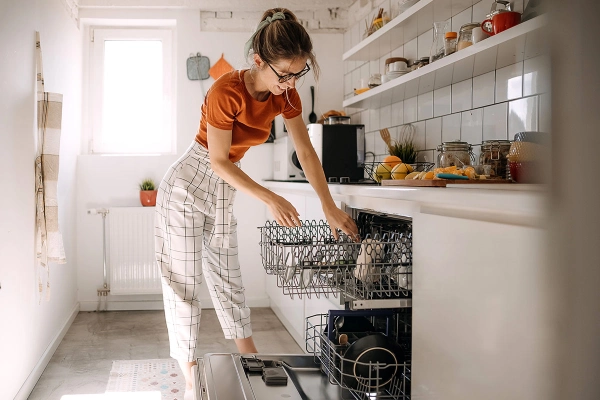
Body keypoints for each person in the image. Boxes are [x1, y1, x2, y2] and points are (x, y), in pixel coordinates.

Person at [154, 7, 359, 397]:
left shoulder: (286, 94)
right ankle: (191, 379)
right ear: (258, 60)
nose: (290, 82)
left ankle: (254, 366)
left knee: (229, 278)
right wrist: (269, 196)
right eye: (284, 73)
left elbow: (307, 151)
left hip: (224, 187)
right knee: (183, 286)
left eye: (297, 73)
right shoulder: (225, 91)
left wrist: (329, 205)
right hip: (187, 183)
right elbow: (216, 159)